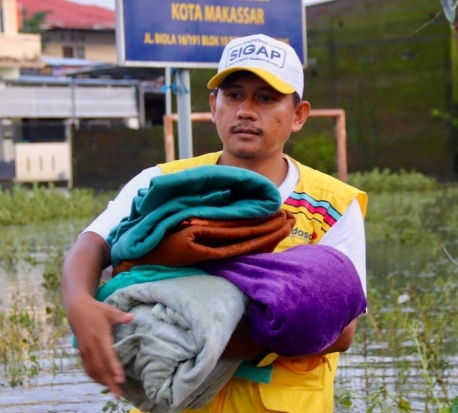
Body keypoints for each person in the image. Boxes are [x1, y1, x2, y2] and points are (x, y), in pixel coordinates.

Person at [62, 33, 368, 413]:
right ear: (213, 105)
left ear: (299, 115)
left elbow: (342, 331)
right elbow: (92, 244)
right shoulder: (161, 183)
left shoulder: (333, 205)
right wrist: (78, 301)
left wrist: (198, 333)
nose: (245, 111)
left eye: (267, 98)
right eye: (234, 95)